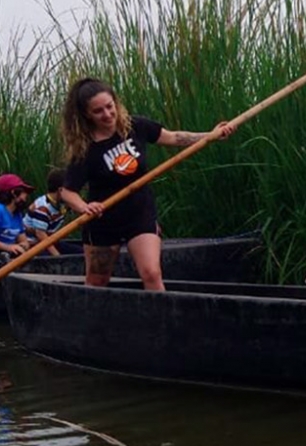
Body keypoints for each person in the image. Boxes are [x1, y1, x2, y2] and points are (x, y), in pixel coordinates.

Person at [56, 76, 231, 290]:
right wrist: (84, 206)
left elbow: (174, 138)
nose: (107, 114)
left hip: (139, 214)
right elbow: (68, 192)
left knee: (151, 273)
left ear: (115, 103)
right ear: (86, 114)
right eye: (98, 111)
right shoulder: (85, 150)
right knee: (97, 281)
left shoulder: (136, 126)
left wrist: (211, 135)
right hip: (103, 222)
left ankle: (163, 320)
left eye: (110, 107)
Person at [22, 170, 79, 251]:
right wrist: (57, 257)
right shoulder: (43, 207)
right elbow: (40, 234)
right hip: (34, 245)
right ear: (60, 190)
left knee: (78, 251)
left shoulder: (60, 204)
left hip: (49, 241)